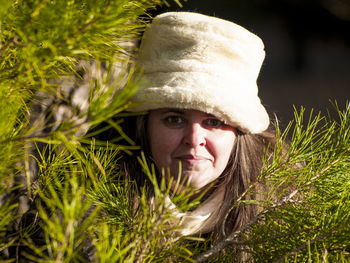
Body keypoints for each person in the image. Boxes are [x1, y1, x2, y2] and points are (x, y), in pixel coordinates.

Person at [122, 11, 276, 240]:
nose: (194, 139)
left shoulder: (281, 215)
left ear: (239, 133)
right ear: (145, 125)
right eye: (175, 119)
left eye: (214, 122)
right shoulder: (90, 209)